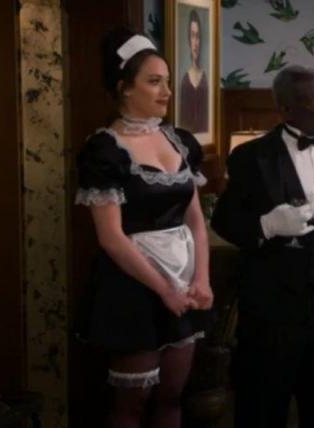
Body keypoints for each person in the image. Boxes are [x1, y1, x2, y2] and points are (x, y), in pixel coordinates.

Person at [74, 27, 213, 428]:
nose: (167, 92)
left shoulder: (180, 141)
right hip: (133, 285)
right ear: (124, 88)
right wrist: (164, 290)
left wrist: (201, 278)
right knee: (130, 407)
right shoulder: (105, 151)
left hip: (184, 279)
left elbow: (195, 220)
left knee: (172, 397)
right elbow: (111, 238)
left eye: (167, 81)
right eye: (154, 82)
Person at [211, 65, 314, 427]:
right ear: (285, 108)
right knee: (263, 405)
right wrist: (266, 225)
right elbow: (224, 221)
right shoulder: (252, 156)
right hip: (270, 304)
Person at [179, 9, 209, 134]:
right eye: (192, 36)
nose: (195, 42)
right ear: (188, 39)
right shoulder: (185, 79)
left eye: (198, 36)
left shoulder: (205, 78)